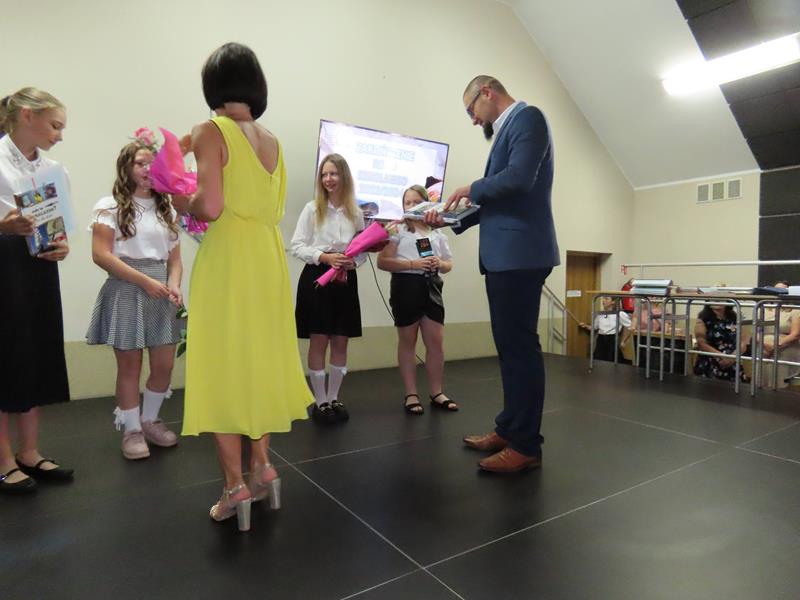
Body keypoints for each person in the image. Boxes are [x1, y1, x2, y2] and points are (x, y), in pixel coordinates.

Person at [177, 43, 312, 531]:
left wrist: (177, 196)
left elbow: (210, 205)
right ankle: (263, 468)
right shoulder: (272, 140)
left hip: (230, 259)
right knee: (258, 362)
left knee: (223, 365)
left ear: (212, 84)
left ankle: (235, 486)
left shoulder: (210, 130)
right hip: (266, 258)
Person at [427, 75, 559, 473]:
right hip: (508, 256)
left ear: (487, 93)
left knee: (520, 350)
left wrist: (471, 187)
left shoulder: (528, 118)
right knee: (510, 350)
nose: (473, 120)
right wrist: (448, 219)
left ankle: (525, 446)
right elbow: (499, 199)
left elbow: (519, 179)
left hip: (521, 254)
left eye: (471, 110)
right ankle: (509, 428)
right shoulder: (509, 129)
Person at [86, 135, 183, 460]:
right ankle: (131, 430)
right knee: (130, 366)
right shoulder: (109, 206)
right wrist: (144, 281)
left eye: (152, 164)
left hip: (160, 291)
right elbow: (101, 255)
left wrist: (174, 285)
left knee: (164, 365)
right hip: (126, 288)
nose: (147, 169)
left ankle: (150, 419)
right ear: (126, 168)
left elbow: (175, 260)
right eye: (140, 163)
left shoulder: (167, 208)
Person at [0, 87, 73, 493]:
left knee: (36, 355)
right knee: (5, 356)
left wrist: (61, 246)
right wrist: (2, 226)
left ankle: (29, 451)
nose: (59, 135)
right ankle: (3, 459)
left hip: (39, 269)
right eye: (55, 125)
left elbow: (58, 223)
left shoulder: (53, 169)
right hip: (3, 267)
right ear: (27, 116)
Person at [290, 153, 365, 425]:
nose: (328, 179)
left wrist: (353, 261)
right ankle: (320, 401)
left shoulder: (356, 213)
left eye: (333, 173)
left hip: (345, 280)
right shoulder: (312, 209)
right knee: (319, 340)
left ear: (344, 176)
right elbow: (297, 246)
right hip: (317, 278)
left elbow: (362, 250)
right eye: (324, 174)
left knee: (341, 340)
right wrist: (324, 257)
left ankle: (334, 397)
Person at [377, 185, 457, 415]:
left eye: (416, 202)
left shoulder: (437, 234)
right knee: (407, 341)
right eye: (407, 202)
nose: (411, 206)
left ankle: (436, 392)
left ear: (427, 204)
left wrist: (439, 263)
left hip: (432, 286)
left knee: (436, 342)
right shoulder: (398, 230)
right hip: (406, 287)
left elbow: (448, 264)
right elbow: (383, 262)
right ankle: (411, 393)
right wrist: (413, 264)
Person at [759, 281, 800, 388]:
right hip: (764, 348)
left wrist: (775, 346)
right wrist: (765, 345)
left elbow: (795, 334)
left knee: (778, 382)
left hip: (785, 348)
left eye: (782, 290)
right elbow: (756, 331)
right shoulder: (763, 309)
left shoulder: (795, 311)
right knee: (761, 380)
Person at [693, 303, 747, 381]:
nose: (717, 301)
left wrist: (732, 357)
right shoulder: (703, 320)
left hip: (733, 362)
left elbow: (743, 342)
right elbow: (701, 343)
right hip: (710, 363)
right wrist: (721, 356)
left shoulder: (735, 318)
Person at [579, 296, 632, 364]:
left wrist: (623, 341)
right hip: (600, 340)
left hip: (612, 340)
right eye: (603, 299)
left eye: (606, 299)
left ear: (613, 302)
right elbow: (594, 327)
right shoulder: (601, 314)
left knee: (612, 362)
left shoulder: (620, 314)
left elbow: (630, 327)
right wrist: (585, 326)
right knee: (597, 362)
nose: (603, 301)